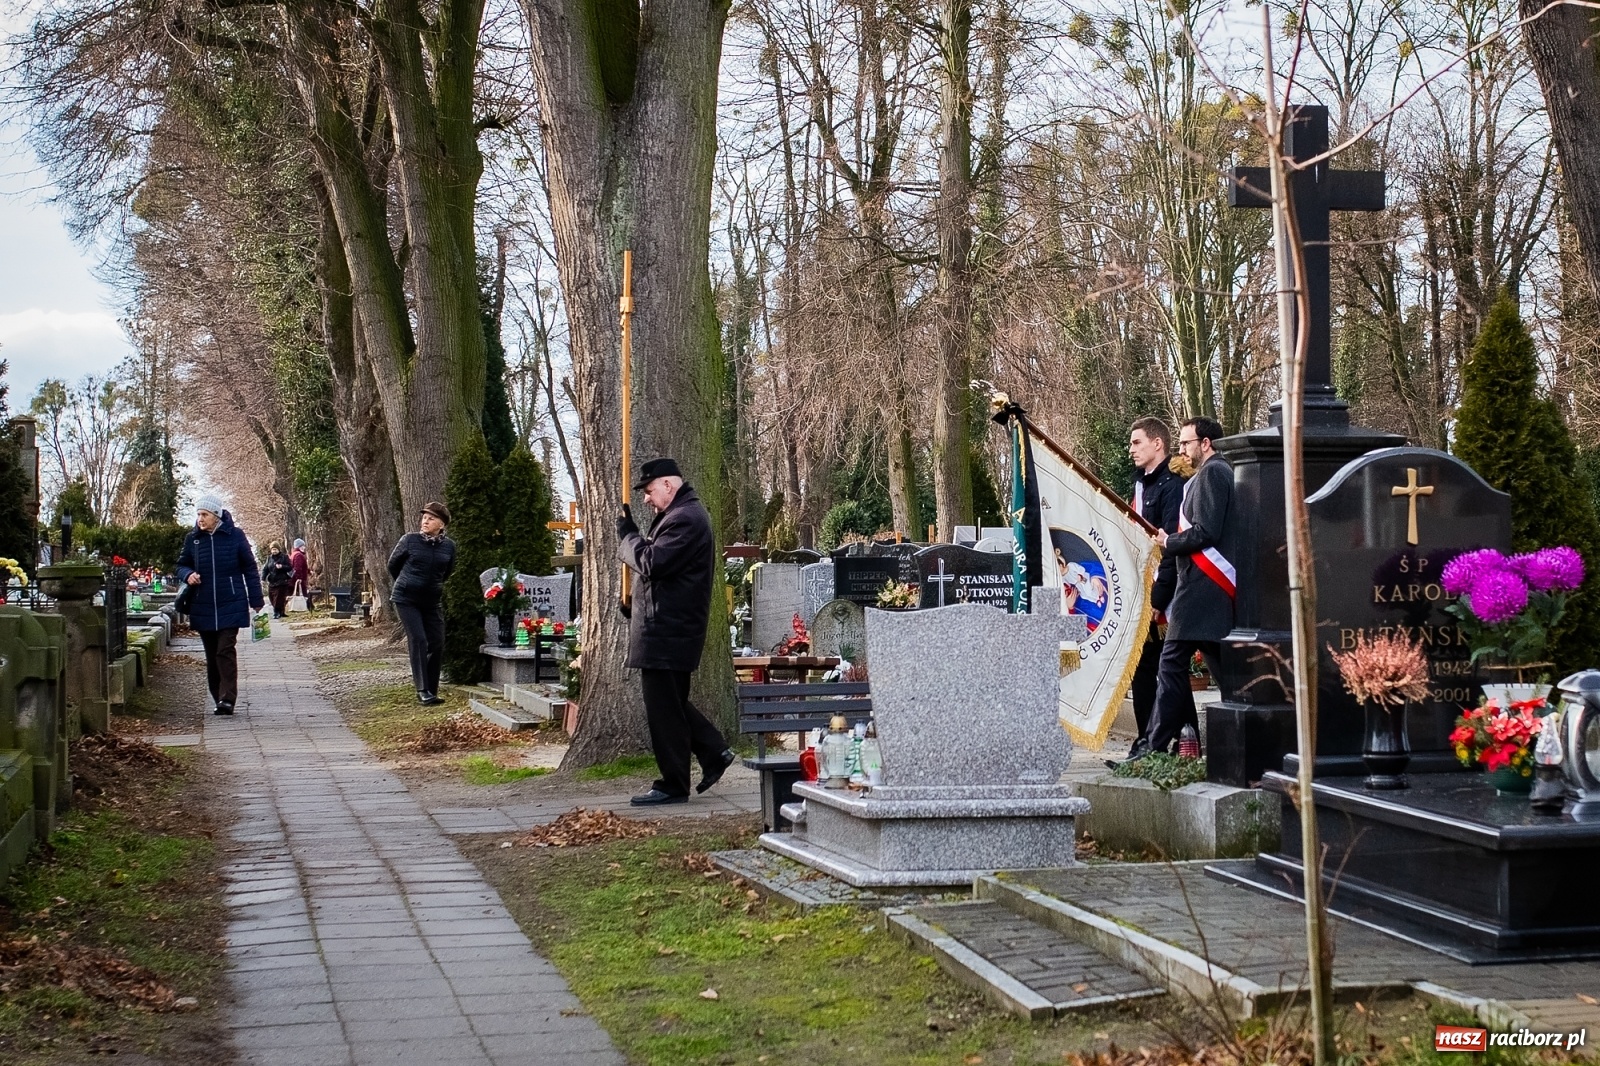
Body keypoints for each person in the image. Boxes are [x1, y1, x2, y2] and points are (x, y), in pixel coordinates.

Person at [617, 457, 736, 806]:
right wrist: (634, 604)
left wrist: (628, 537)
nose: (645, 499)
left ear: (668, 485)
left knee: (664, 710)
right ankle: (714, 752)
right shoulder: (677, 516)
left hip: (669, 632)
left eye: (649, 490)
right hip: (666, 628)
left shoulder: (685, 519)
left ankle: (674, 783)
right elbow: (664, 575)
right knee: (670, 704)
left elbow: (653, 562)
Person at [1138, 416, 1241, 761]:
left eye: (1186, 442)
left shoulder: (1214, 473)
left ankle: (1153, 747)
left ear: (1206, 443)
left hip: (1201, 587)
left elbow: (1206, 531)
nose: (1180, 449)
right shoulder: (1209, 474)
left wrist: (1170, 541)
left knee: (1170, 665)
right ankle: (1245, 738)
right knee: (1226, 673)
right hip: (1201, 590)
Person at [1119, 417, 1184, 764]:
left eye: (1137, 442)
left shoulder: (1172, 488)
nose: (1131, 449)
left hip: (1166, 593)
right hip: (1142, 590)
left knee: (1168, 671)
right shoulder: (1142, 486)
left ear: (1158, 443)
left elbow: (1171, 544)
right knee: (1144, 670)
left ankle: (1184, 741)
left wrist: (1159, 598)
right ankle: (1146, 742)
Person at [177, 495, 265, 715]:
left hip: (231, 602)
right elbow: (181, 565)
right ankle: (218, 697)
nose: (200, 519)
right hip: (203, 604)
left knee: (225, 650)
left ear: (216, 516)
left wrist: (256, 599)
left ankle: (227, 699)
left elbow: (250, 568)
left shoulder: (235, 536)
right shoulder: (193, 540)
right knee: (211, 654)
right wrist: (188, 575)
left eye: (204, 514)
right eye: (198, 514)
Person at [388, 502, 456, 706]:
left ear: (441, 525)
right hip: (406, 599)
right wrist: (408, 582)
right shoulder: (409, 540)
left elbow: (447, 571)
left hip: (432, 601)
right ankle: (422, 690)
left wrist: (432, 586)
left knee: (436, 641)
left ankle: (432, 689)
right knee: (418, 640)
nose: (425, 521)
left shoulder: (449, 546)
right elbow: (393, 565)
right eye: (424, 518)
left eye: (431, 518)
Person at [263, 542, 295, 618]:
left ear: (278, 549)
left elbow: (290, 567)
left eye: (275, 549)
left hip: (282, 581)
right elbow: (265, 569)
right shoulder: (269, 558)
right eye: (272, 549)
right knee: (272, 597)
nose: (274, 551)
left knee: (278, 598)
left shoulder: (284, 557)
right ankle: (281, 611)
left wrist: (282, 567)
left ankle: (276, 612)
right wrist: (263, 579)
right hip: (272, 581)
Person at [289, 538, 311, 609]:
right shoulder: (299, 555)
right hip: (298, 579)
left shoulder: (293, 554)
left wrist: (308, 571)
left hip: (294, 578)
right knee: (304, 594)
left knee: (303, 593)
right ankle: (309, 607)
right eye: (303, 546)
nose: (304, 548)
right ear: (299, 547)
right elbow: (298, 568)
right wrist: (299, 578)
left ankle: (310, 607)